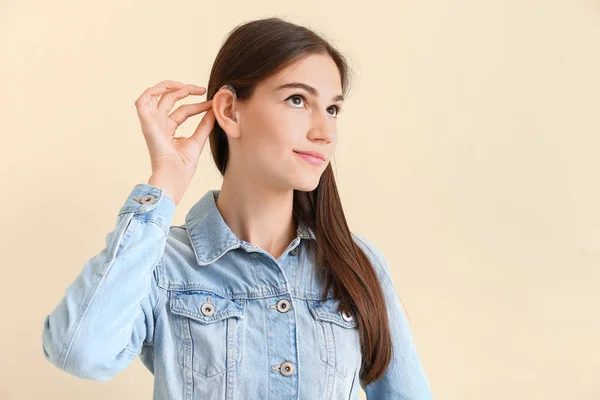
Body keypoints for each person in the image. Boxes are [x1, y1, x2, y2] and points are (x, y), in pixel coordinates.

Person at [41, 16, 434, 400]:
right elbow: (80, 353)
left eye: (332, 109)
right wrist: (164, 183)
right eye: (298, 100)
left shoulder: (357, 264)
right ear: (229, 110)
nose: (325, 132)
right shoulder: (163, 266)